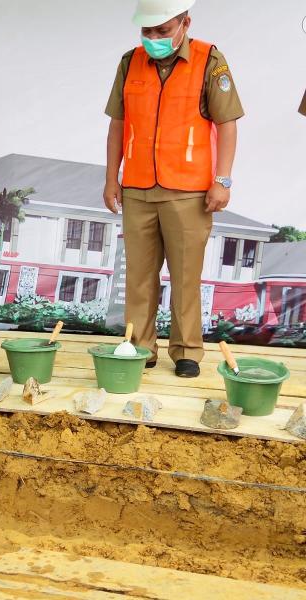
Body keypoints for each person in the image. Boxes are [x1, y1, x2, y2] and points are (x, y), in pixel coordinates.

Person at [102, 0, 243, 378]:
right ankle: (140, 346)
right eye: (147, 31)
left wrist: (223, 180)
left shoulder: (209, 60)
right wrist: (110, 178)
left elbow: (227, 124)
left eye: (162, 31)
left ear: (184, 22)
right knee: (139, 276)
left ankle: (187, 351)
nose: (153, 39)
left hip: (190, 191)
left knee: (185, 276)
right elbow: (118, 124)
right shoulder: (129, 62)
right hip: (137, 188)